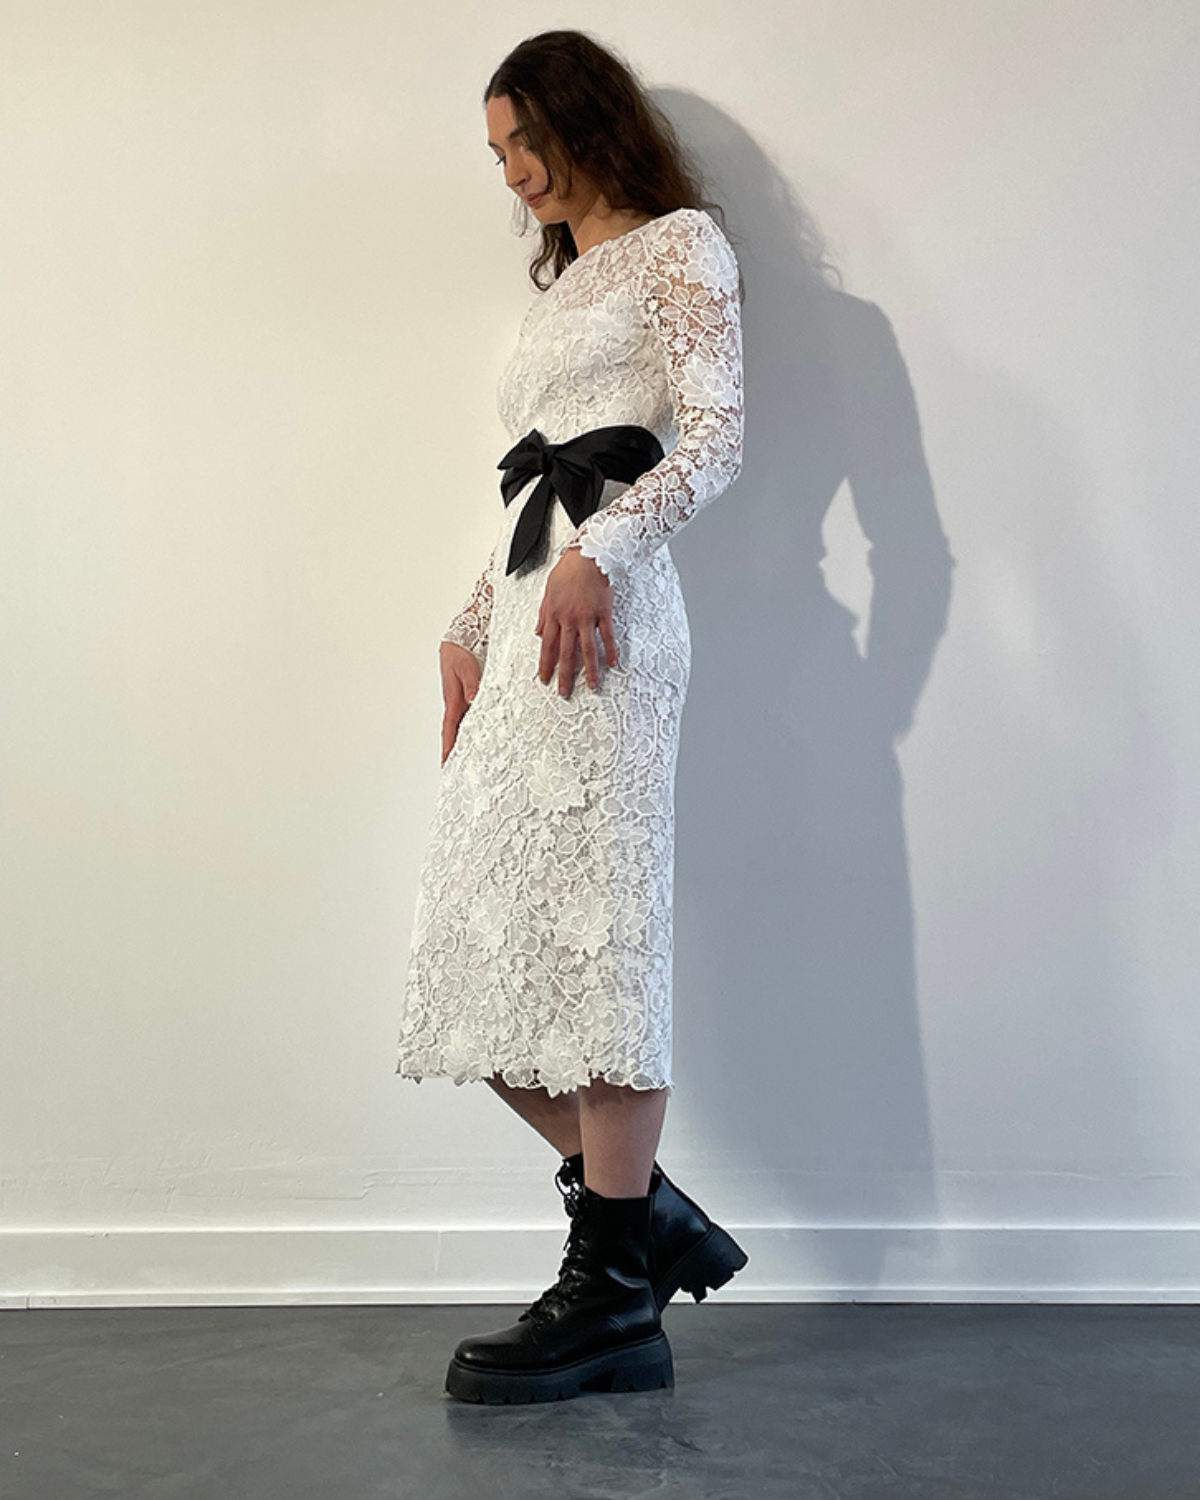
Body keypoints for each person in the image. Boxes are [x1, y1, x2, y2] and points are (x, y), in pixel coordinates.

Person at [395, 29, 749, 1403]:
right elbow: (528, 490)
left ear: (584, 119)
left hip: (612, 629)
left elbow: (714, 440)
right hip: (527, 623)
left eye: (522, 143)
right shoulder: (561, 286)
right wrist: (463, 620)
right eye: (496, 156)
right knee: (481, 959)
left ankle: (610, 1295)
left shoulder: (679, 249)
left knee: (600, 942)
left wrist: (604, 549)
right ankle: (644, 1230)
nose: (513, 175)